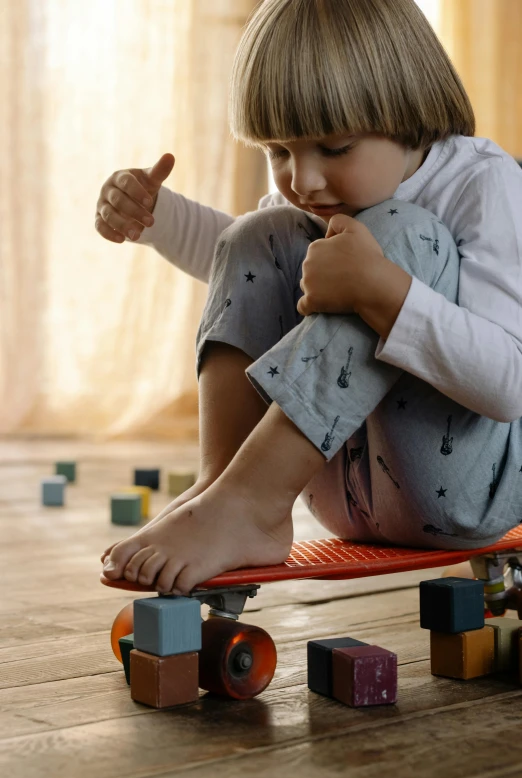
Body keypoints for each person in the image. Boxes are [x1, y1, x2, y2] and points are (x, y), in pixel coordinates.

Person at [96, 0, 522, 596]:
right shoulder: (310, 198)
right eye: (278, 152)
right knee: (252, 235)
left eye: (334, 148)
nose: (302, 180)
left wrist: (383, 291)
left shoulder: (483, 183)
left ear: (408, 111)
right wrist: (158, 220)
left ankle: (249, 497)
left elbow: (507, 383)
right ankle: (225, 488)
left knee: (397, 232)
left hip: (463, 495)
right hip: (345, 495)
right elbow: (248, 273)